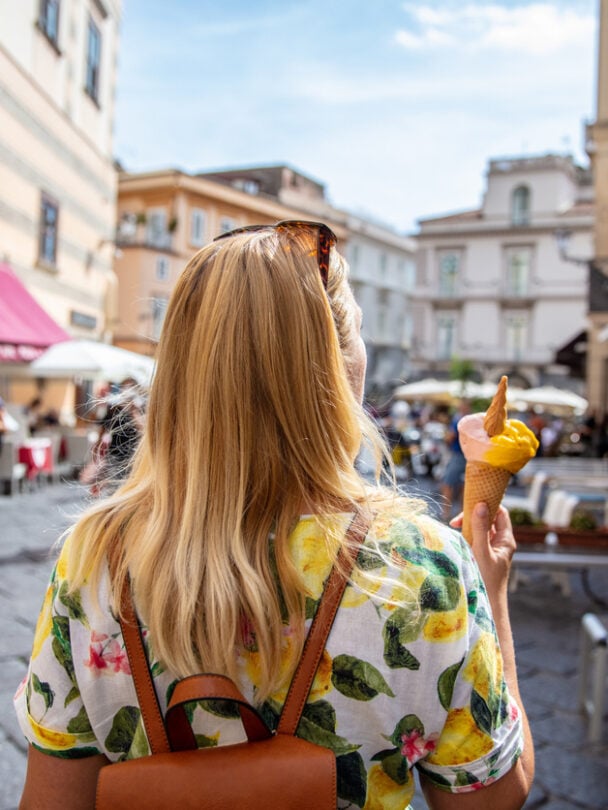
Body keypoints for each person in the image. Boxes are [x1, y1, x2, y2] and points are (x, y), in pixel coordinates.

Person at [15, 221, 534, 809]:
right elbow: (491, 798)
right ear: (334, 366)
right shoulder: (424, 565)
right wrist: (491, 594)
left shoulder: (96, 555)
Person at [440, 399, 471, 522]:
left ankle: (445, 513)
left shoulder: (459, 420)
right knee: (464, 486)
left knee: (447, 483)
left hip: (458, 455)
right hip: (468, 456)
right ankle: (462, 514)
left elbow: (450, 437)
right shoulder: (470, 421)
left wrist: (446, 437)